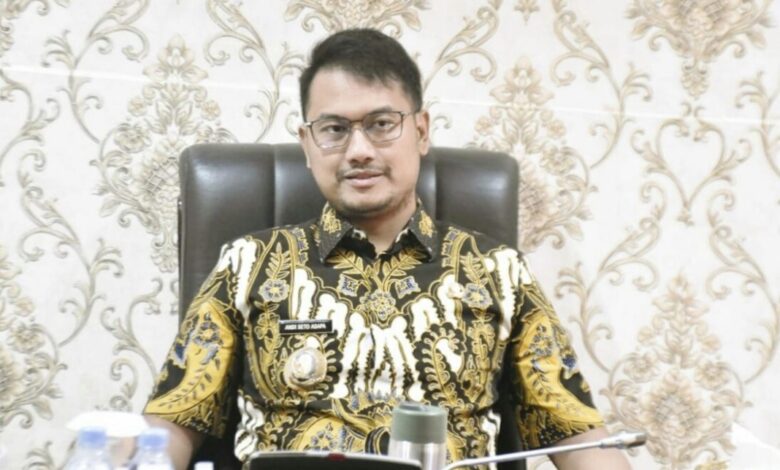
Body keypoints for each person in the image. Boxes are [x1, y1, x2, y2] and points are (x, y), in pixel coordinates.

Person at [143, 28, 632, 470]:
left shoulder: (497, 272)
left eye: (380, 124)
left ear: (421, 131)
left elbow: (578, 437)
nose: (359, 150)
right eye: (334, 129)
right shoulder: (249, 263)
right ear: (308, 144)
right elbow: (172, 424)